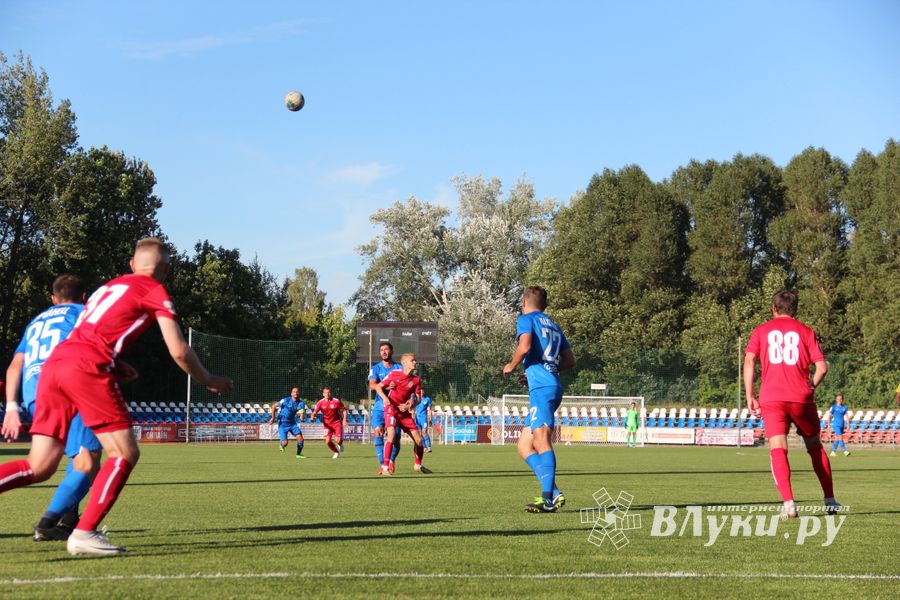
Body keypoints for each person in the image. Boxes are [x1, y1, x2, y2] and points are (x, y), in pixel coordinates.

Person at [0, 237, 233, 555]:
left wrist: (115, 363)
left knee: (39, 465)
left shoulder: (106, 289)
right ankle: (84, 533)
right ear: (165, 268)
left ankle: (73, 526)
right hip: (84, 367)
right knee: (124, 452)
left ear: (132, 265)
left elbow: (87, 334)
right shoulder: (154, 290)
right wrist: (209, 379)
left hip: (55, 367)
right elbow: (178, 350)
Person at [3, 275, 127, 542]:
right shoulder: (84, 314)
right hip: (70, 387)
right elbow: (93, 350)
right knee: (86, 460)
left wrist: (12, 406)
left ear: (53, 299)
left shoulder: (36, 322)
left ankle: (67, 520)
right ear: (85, 297)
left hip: (34, 394)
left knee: (43, 466)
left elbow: (15, 365)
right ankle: (49, 523)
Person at [744, 289, 839, 518]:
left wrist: (750, 395)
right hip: (801, 398)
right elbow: (822, 367)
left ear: (773, 308)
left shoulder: (761, 331)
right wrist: (810, 388)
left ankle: (789, 504)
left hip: (772, 397)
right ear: (794, 309)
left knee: (778, 448)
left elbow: (749, 361)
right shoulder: (806, 332)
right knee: (815, 447)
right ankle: (830, 500)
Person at [503, 286, 575, 513]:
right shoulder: (553, 324)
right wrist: (548, 369)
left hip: (543, 388)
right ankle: (553, 491)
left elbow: (524, 347)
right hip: (549, 384)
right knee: (524, 445)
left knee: (542, 439)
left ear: (524, 302)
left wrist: (512, 365)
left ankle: (547, 501)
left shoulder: (526, 319)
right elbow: (570, 360)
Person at [374, 353, 430, 474]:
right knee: (391, 436)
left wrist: (410, 404)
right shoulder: (394, 374)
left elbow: (418, 398)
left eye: (415, 360)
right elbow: (378, 387)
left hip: (404, 413)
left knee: (419, 441)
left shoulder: (416, 380)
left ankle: (418, 465)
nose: (415, 362)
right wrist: (385, 399)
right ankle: (385, 467)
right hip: (392, 410)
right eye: (412, 360)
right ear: (404, 363)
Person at [368, 342, 402, 473]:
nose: (383, 352)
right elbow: (372, 385)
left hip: (396, 407)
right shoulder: (376, 368)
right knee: (378, 432)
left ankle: (391, 460)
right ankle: (383, 464)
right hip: (379, 406)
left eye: (386, 349)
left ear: (391, 351)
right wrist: (386, 387)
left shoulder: (399, 368)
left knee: (395, 438)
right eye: (381, 350)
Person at [269, 387, 306, 459]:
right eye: (294, 392)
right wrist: (273, 418)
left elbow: (301, 412)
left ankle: (298, 454)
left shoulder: (301, 403)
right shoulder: (286, 400)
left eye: (297, 392)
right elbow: (274, 406)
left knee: (300, 439)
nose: (295, 393)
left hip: (292, 423)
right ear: (291, 393)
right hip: (282, 424)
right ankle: (281, 444)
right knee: (285, 443)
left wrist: (301, 417)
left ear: (299, 393)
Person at [311, 387, 348, 459]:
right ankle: (336, 452)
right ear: (323, 394)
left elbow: (344, 410)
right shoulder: (320, 402)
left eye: (329, 392)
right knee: (327, 441)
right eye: (325, 393)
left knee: (338, 440)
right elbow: (314, 412)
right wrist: (312, 416)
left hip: (337, 423)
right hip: (327, 424)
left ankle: (340, 444)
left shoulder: (336, 401)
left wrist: (344, 420)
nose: (327, 394)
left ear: (331, 393)